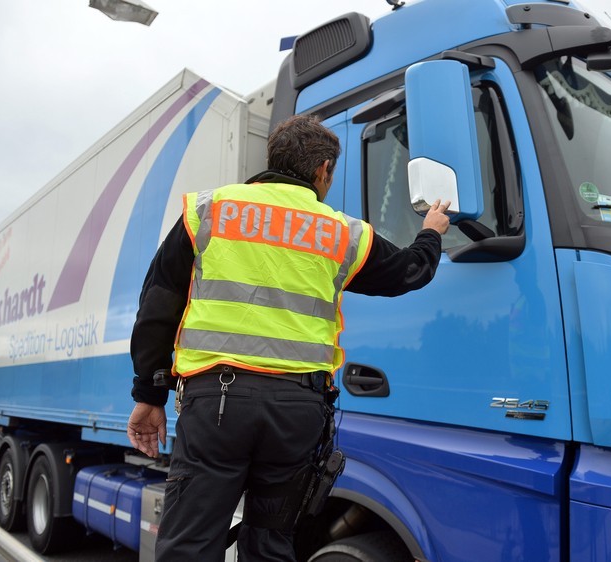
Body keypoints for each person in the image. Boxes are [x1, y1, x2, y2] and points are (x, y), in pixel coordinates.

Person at [126, 114, 450, 561]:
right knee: (271, 545)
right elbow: (409, 272)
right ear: (323, 170)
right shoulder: (342, 233)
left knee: (188, 545)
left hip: (216, 406)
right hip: (298, 412)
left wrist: (149, 393)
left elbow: (158, 306)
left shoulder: (208, 210)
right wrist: (431, 233)